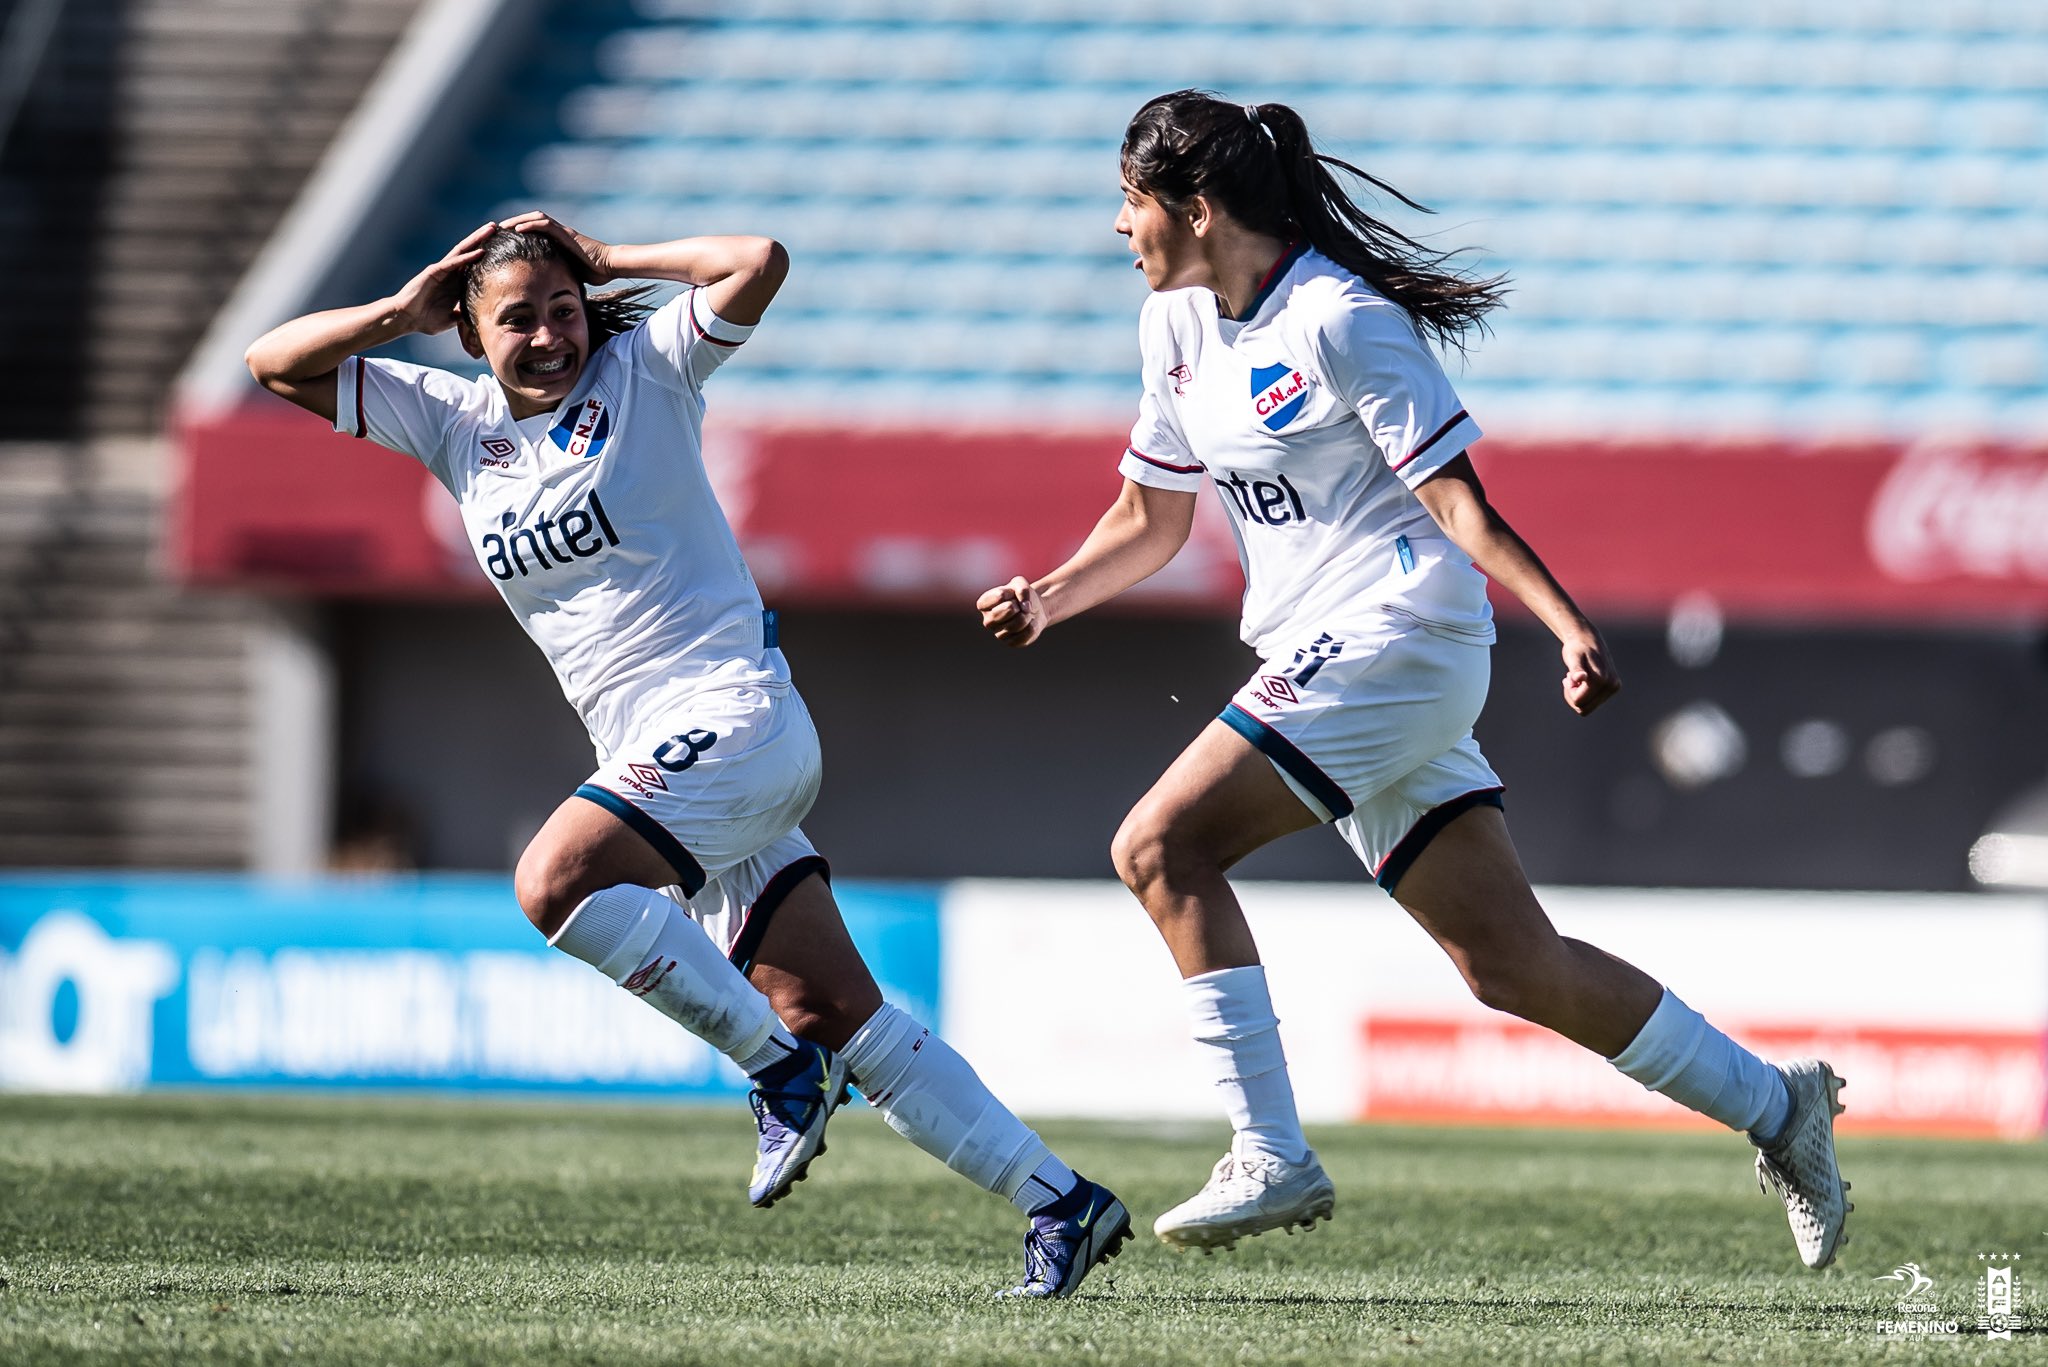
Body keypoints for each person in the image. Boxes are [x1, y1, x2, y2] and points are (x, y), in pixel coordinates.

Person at [976, 89, 1851, 1270]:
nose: (1115, 228)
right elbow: (1147, 516)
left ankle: (1268, 1146)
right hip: (1326, 655)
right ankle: (1779, 1105)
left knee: (1157, 845)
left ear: (1191, 206)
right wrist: (1050, 594)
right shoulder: (1172, 329)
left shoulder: (1340, 318)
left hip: (1401, 634)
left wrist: (1563, 624)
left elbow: (1456, 504)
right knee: (1510, 961)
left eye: (1127, 204)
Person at [245, 213, 1130, 1297]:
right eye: (515, 318)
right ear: (469, 331)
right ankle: (1061, 1200)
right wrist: (399, 311)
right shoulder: (450, 423)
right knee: (834, 1010)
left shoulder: (645, 371)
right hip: (672, 761)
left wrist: (611, 263)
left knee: (555, 876)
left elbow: (756, 261)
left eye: (562, 310)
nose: (547, 335)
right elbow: (272, 364)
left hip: (735, 720)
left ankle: (773, 1070)